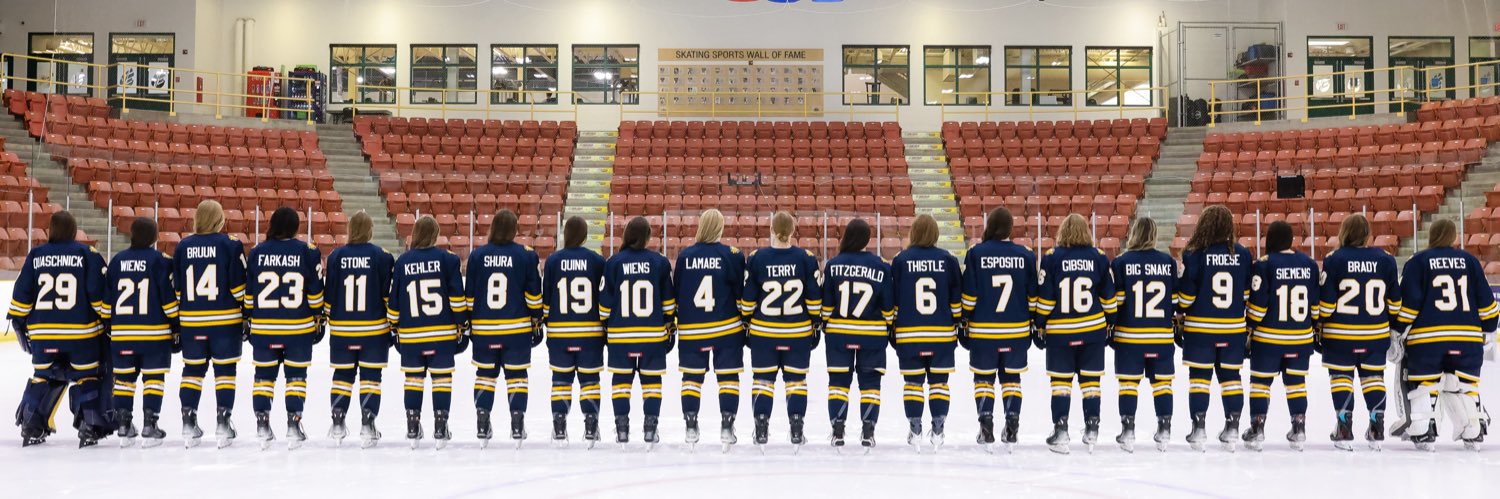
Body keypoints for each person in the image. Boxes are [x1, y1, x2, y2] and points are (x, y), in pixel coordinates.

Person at [1393, 219, 1497, 451]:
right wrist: (1490, 327)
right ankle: (1473, 425)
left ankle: (1424, 427)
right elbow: (1487, 304)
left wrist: (1398, 331)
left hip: (1428, 341)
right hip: (1467, 339)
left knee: (1426, 384)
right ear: (1453, 237)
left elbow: (1409, 305)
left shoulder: (1418, 262)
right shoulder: (1470, 261)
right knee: (1464, 384)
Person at [10, 211, 111, 447]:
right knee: (87, 376)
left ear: (51, 230)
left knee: (43, 376)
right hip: (81, 335)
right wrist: (108, 319)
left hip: (43, 335)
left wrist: (18, 321)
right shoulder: (86, 254)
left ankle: (31, 425)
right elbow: (98, 297)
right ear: (74, 231)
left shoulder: (35, 255)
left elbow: (21, 297)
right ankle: (90, 426)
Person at [1317, 213, 1400, 450]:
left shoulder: (1334, 259)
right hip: (1375, 334)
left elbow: (1327, 305)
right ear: (1367, 234)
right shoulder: (1386, 260)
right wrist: (1391, 325)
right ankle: (1377, 424)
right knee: (1373, 378)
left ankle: (1344, 426)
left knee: (1341, 378)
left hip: (1340, 334)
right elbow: (1394, 304)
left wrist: (1319, 324)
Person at [244, 207, 325, 450]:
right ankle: (293, 423)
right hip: (297, 327)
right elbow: (315, 293)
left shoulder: (257, 252)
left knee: (263, 377)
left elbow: (249, 295)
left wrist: (248, 317)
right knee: (296, 377)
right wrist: (318, 316)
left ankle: (262, 423)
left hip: (264, 327)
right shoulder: (307, 252)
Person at [742, 211, 822, 451]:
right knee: (796, 381)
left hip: (764, 332)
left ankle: (761, 427)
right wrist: (815, 323)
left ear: (770, 229)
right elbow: (815, 302)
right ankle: (796, 427)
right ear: (793, 231)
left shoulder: (757, 257)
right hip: (797, 332)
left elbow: (747, 302)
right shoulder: (807, 258)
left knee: (763, 381)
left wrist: (747, 321)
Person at [1036, 214, 1116, 454]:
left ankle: (1061, 431)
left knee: (1061, 383)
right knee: (1091, 382)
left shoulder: (1051, 258)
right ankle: (1092, 428)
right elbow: (1109, 300)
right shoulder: (1099, 257)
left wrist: (1039, 323)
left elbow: (1046, 300)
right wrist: (1110, 322)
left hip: (1061, 331)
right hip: (1092, 330)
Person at [1175, 205, 1253, 452]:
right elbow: (1245, 294)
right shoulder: (1242, 253)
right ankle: (1232, 429)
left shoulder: (1195, 254)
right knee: (1231, 378)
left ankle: (1198, 429)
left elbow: (1186, 297)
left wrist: (1182, 309)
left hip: (1201, 329)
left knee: (1199, 380)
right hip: (1232, 328)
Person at [172, 200, 248, 448]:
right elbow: (238, 288)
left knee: (192, 371)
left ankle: (187, 420)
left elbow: (179, 290)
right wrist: (246, 310)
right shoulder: (231, 244)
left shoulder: (183, 246)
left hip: (192, 321)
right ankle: (223, 423)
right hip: (225, 321)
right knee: (225, 372)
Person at [960, 207, 1037, 452]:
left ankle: (986, 424)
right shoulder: (1025, 254)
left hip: (983, 330)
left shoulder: (976, 253)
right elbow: (1033, 297)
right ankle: (1012, 423)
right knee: (1011, 378)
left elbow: (969, 297)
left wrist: (965, 319)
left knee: (983, 379)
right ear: (1010, 228)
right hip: (1016, 330)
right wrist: (1032, 321)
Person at [465, 209, 544, 447]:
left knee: (485, 376)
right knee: (517, 376)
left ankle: (482, 421)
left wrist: (471, 322)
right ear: (514, 229)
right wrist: (537, 319)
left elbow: (470, 297)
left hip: (484, 328)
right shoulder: (526, 255)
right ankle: (517, 423)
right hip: (516, 329)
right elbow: (533, 295)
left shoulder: (477, 256)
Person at [388, 216, 468, 449]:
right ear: (435, 234)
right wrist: (462, 325)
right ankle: (440, 427)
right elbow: (456, 299)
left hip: (412, 333)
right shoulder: (448, 259)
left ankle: (412, 427)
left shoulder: (403, 261)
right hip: (442, 333)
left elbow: (395, 302)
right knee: (442, 380)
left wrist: (394, 326)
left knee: (413, 380)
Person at [672, 209, 747, 450]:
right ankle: (727, 426)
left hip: (693, 329)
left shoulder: (685, 256)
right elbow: (740, 295)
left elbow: (678, 294)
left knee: (692, 378)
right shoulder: (733, 255)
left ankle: (691, 425)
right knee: (728, 378)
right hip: (727, 327)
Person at [100, 217, 178, 447]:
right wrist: (176, 324)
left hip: (122, 334)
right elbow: (168, 302)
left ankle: (124, 425)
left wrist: (108, 323)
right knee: (154, 379)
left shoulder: (117, 261)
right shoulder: (160, 261)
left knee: (124, 380)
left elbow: (106, 305)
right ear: (154, 237)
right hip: (154, 334)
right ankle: (149, 424)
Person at [1243, 221, 1319, 451]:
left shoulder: (1264, 265)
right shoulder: (1309, 264)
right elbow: (1315, 309)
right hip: (1300, 337)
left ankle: (1257, 429)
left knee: (1260, 383)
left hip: (1268, 339)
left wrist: (1249, 326)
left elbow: (1257, 309)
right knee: (1296, 383)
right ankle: (1299, 428)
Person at [600, 217, 675, 449]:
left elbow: (604, 307)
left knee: (621, 381)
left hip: (621, 336)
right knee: (651, 382)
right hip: (652, 335)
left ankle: (622, 429)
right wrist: (668, 325)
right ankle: (650, 429)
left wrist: (607, 327)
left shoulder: (613, 262)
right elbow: (669, 305)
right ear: (648, 237)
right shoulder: (660, 262)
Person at [322, 212, 395, 447]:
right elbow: (387, 297)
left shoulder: (335, 257)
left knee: (342, 376)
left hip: (342, 330)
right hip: (374, 329)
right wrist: (393, 324)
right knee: (371, 377)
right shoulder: (382, 257)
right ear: (370, 230)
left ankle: (337, 421)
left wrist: (326, 318)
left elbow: (330, 298)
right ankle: (368, 422)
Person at [890, 214, 963, 452]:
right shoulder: (948, 260)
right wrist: (955, 322)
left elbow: (895, 301)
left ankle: (915, 429)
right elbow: (956, 304)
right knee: (939, 384)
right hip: (942, 334)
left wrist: (894, 326)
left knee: (913, 384)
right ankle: (939, 430)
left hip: (910, 333)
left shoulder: (901, 260)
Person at [820, 218, 894, 450]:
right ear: (867, 239)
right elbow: (888, 308)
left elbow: (826, 307)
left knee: (838, 384)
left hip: (839, 334)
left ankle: (838, 430)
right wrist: (888, 324)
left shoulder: (833, 265)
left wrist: (824, 324)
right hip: (872, 335)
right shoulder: (881, 266)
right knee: (870, 384)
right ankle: (868, 430)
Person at [1108, 217, 1177, 452]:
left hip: (1130, 336)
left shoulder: (1120, 262)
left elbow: (1116, 302)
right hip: (1161, 335)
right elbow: (1175, 301)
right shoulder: (1168, 262)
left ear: (1133, 233)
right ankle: (1165, 429)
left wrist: (1111, 328)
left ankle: (1128, 431)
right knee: (1162, 385)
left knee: (1128, 385)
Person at [542, 216, 607, 446]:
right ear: (585, 235)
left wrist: (549, 323)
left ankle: (559, 426)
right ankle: (591, 426)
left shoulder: (552, 261)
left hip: (560, 332)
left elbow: (547, 302)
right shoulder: (597, 261)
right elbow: (603, 298)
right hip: (590, 331)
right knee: (590, 381)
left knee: (561, 380)